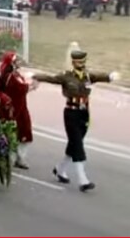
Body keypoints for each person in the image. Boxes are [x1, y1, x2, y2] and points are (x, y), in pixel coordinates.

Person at [33, 50, 119, 192]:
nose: (81, 65)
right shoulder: (66, 76)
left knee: (74, 143)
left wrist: (110, 76)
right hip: (71, 113)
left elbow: (100, 76)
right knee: (78, 145)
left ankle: (60, 169)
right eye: (78, 62)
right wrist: (36, 76)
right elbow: (51, 78)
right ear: (73, 62)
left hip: (84, 113)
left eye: (83, 62)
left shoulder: (88, 76)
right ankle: (83, 180)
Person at [0, 52, 38, 169]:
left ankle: (19, 157)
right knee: (13, 133)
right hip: (13, 110)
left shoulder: (13, 75)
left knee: (24, 132)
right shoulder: (9, 77)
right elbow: (20, 89)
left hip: (21, 108)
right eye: (16, 61)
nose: (19, 63)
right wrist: (32, 86)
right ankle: (12, 158)